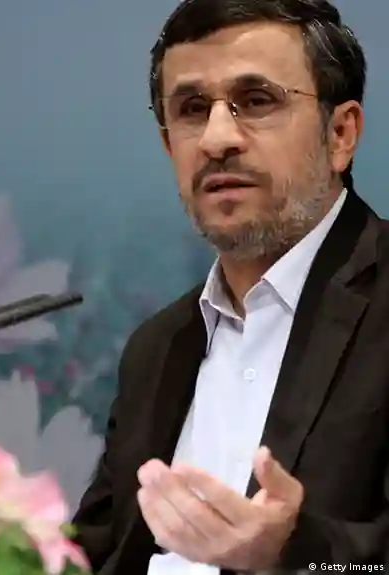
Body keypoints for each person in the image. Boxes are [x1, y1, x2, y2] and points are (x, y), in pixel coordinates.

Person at [71, 0, 389, 574]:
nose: (217, 139)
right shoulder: (156, 348)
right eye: (192, 109)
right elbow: (87, 556)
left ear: (341, 134)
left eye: (257, 100)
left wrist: (287, 553)